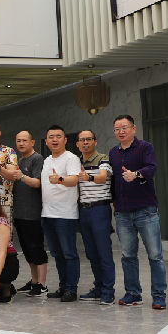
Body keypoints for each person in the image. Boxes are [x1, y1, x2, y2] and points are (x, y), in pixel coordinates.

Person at [109, 114, 166, 309]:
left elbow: (152, 168)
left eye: (124, 127)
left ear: (133, 129)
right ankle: (133, 294)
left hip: (146, 210)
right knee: (128, 256)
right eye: (117, 129)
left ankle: (159, 296)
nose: (121, 132)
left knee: (155, 255)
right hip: (123, 213)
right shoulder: (113, 153)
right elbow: (113, 182)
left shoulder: (145, 147)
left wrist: (136, 174)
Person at [74, 129, 115, 305]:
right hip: (84, 211)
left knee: (104, 252)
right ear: (77, 144)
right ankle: (98, 288)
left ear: (95, 142)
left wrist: (88, 177)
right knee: (91, 253)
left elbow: (103, 177)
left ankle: (108, 291)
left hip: (99, 210)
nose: (85, 143)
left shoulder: (102, 159)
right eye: (82, 140)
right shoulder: (76, 162)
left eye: (89, 139)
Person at [40, 125, 81, 302]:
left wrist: (60, 179)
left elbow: (74, 180)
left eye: (58, 136)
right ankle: (63, 286)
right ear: (46, 141)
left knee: (69, 253)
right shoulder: (47, 160)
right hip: (47, 213)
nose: (55, 139)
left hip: (65, 214)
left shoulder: (71, 158)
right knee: (57, 253)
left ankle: (71, 289)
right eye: (51, 137)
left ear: (65, 140)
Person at [9, 130, 48, 297]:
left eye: (25, 140)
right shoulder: (19, 161)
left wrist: (22, 177)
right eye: (18, 140)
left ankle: (42, 284)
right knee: (26, 249)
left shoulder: (37, 159)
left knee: (36, 248)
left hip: (33, 213)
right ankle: (34, 281)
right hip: (19, 213)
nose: (21, 143)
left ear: (32, 142)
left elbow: (38, 182)